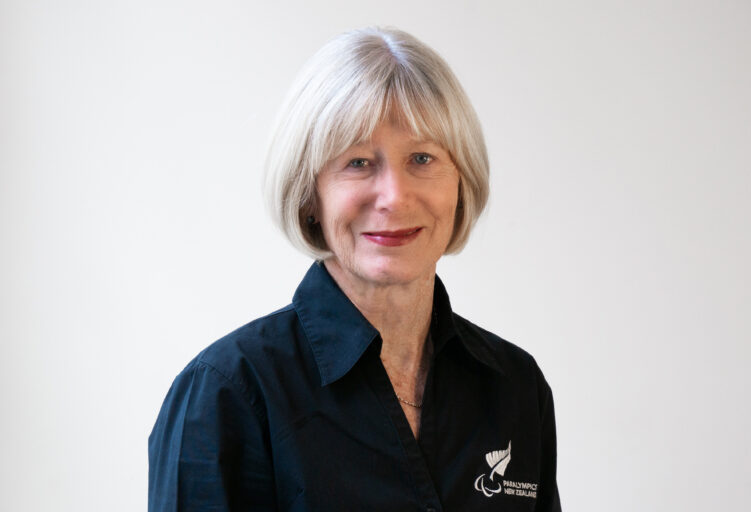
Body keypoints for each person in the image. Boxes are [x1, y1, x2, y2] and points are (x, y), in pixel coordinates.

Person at [149, 27, 561, 511]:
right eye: (359, 162)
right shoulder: (227, 394)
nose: (394, 196)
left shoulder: (513, 387)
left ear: (461, 182)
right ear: (310, 195)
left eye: (422, 158)